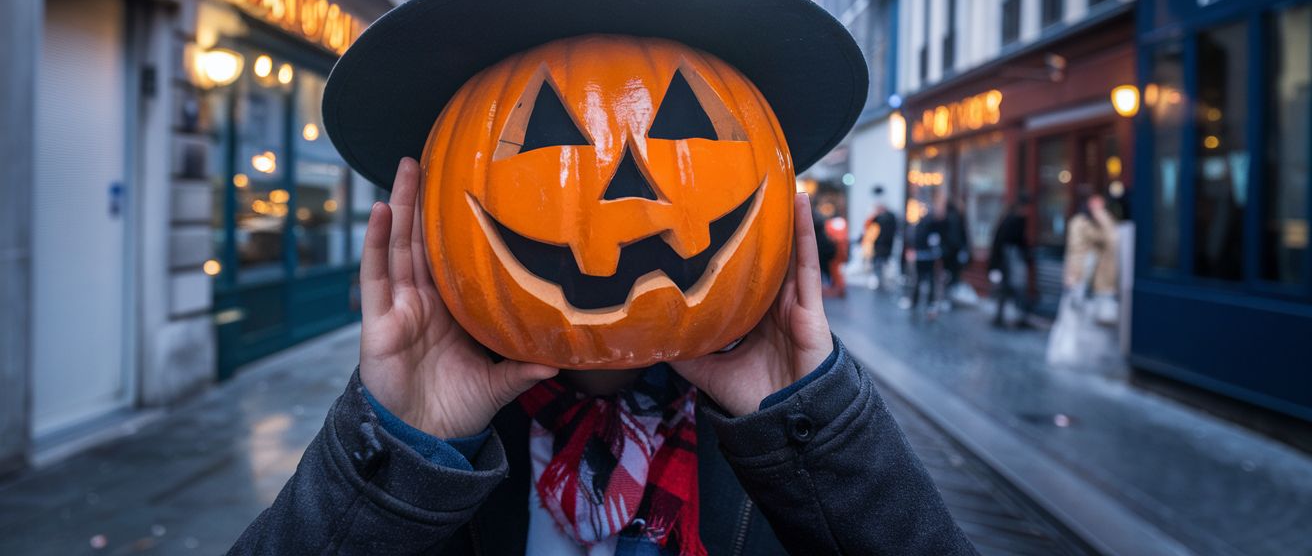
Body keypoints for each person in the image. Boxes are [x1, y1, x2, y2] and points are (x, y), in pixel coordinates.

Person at [227, 159, 977, 555]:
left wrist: (815, 423)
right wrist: (397, 445)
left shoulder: (784, 445)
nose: (621, 186)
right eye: (545, 131)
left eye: (675, 121)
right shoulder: (435, 444)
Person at [1046, 189, 1120, 368]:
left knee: (1077, 320)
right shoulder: (1083, 225)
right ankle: (1067, 354)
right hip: (1081, 280)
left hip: (1087, 281)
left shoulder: (1086, 224)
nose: (1099, 207)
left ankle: (1071, 354)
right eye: (1096, 204)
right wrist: (1103, 218)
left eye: (1101, 205)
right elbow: (1110, 239)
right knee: (1073, 320)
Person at [987, 194, 1033, 328]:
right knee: (1016, 288)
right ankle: (1019, 316)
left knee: (1005, 289)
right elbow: (1015, 242)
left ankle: (1002, 316)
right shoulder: (1015, 220)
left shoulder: (1008, 219)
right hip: (1011, 261)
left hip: (1006, 261)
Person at [904, 198, 945, 320]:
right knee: (929, 280)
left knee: (919, 279)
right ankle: (928, 304)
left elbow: (916, 238)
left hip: (922, 255)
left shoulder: (922, 224)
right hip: (928, 255)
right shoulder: (932, 223)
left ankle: (916, 302)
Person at [862, 187, 898, 291]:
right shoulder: (886, 217)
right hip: (882, 245)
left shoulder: (882, 218)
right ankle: (880, 281)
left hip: (881, 245)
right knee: (880, 264)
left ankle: (880, 281)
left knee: (879, 264)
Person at [939, 196, 970, 308]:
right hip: (954, 252)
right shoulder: (957, 217)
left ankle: (949, 299)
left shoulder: (951, 218)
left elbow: (953, 238)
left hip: (951, 253)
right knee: (952, 276)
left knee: (949, 276)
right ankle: (950, 299)